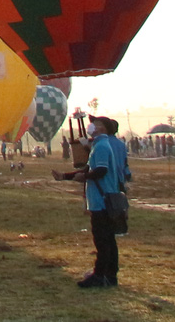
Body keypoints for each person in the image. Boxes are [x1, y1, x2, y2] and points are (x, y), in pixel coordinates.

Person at [55, 115, 128, 289]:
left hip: (101, 201)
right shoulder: (99, 145)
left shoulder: (102, 146)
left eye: (95, 124)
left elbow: (101, 170)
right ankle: (110, 275)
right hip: (102, 200)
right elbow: (88, 168)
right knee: (108, 240)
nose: (91, 127)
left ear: (103, 128)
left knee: (102, 240)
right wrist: (65, 176)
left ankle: (100, 275)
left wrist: (84, 177)